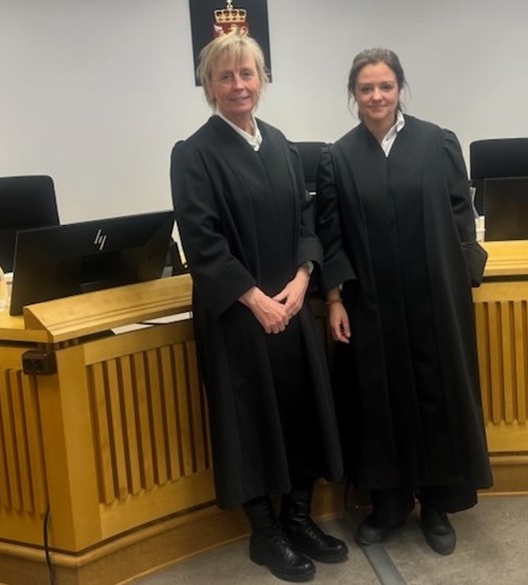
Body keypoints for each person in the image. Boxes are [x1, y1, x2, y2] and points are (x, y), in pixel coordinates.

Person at [170, 33, 348, 583]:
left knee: (302, 411)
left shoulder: (283, 146)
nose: (238, 85)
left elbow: (305, 222)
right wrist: (255, 300)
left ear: (262, 80)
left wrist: (303, 278)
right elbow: (202, 242)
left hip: (290, 305)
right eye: (225, 76)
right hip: (237, 314)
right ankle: (265, 534)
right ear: (208, 85)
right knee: (247, 420)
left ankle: (298, 518)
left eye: (247, 74)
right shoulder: (194, 154)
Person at [315, 48, 493, 556]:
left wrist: (463, 277)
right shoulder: (337, 158)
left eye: (385, 86)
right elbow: (330, 233)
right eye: (366, 88)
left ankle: (437, 504)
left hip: (434, 296)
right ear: (354, 94)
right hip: (370, 300)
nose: (376, 96)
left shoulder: (437, 142)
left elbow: (460, 214)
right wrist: (334, 297)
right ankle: (389, 504)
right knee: (379, 398)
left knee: (438, 393)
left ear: (400, 89)